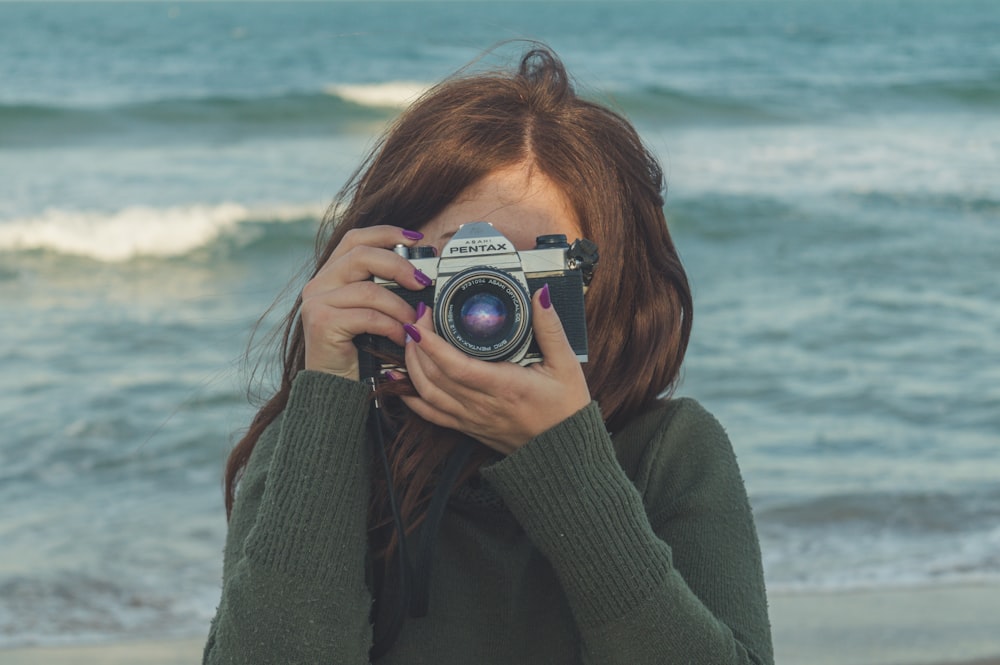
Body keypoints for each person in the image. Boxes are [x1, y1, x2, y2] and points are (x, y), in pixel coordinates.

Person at [203, 46, 773, 665]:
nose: (490, 298)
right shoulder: (313, 446)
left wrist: (567, 465)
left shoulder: (669, 452)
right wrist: (330, 394)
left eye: (528, 265)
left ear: (600, 279)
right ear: (395, 265)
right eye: (462, 262)